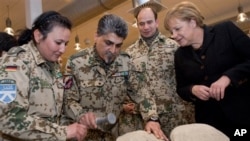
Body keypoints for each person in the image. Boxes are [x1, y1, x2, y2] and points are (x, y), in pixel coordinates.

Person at [63, 14, 167, 141]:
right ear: (96, 36)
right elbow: (68, 100)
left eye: (118, 45)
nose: (113, 50)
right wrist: (81, 115)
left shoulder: (125, 62)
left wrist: (151, 118)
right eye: (108, 43)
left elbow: (141, 92)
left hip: (114, 134)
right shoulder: (76, 63)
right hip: (85, 135)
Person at [164, 1, 250, 140]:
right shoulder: (179, 55)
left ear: (193, 22)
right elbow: (181, 88)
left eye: (177, 29)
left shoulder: (225, 31)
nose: (173, 35)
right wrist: (192, 89)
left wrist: (228, 77)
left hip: (242, 118)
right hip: (210, 124)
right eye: (171, 31)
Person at [0, 11, 87, 141]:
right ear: (38, 35)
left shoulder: (54, 66)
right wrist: (63, 132)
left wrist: (77, 123)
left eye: (66, 43)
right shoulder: (15, 63)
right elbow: (7, 117)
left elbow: (55, 114)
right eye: (58, 42)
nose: (63, 49)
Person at [122, 2, 195, 137]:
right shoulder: (129, 53)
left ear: (157, 22)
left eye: (149, 22)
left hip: (176, 114)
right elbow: (129, 87)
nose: (146, 27)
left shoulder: (174, 46)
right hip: (145, 118)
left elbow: (189, 77)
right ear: (137, 24)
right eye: (141, 23)